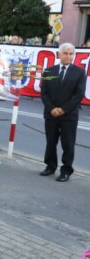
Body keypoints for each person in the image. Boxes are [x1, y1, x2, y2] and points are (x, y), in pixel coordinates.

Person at [40, 43, 86, 182]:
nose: (68, 56)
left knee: (68, 143)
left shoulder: (79, 72)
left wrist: (63, 109)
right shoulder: (49, 71)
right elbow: (44, 92)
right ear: (59, 54)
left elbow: (79, 94)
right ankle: (50, 166)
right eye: (66, 53)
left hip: (69, 115)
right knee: (51, 141)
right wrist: (52, 108)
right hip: (51, 113)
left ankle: (66, 170)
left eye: (71, 54)